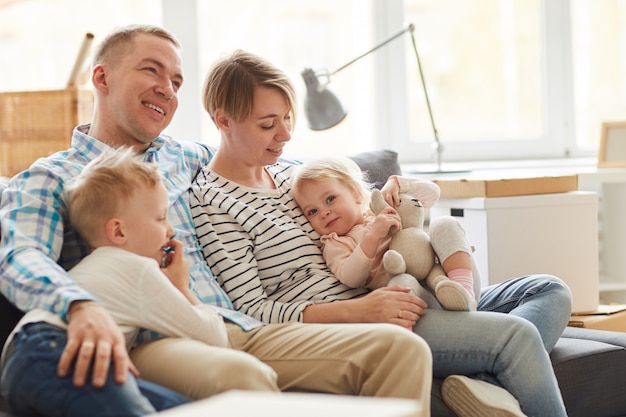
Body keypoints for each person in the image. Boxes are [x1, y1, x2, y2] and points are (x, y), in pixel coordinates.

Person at [0, 25, 432, 417]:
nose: (167, 90)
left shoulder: (187, 157)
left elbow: (277, 162)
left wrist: (369, 190)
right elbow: (19, 257)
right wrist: (77, 305)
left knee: (402, 351)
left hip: (241, 324)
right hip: (160, 334)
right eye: (152, 71)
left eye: (176, 81)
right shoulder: (51, 177)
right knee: (241, 377)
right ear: (102, 78)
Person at [189, 49, 572, 417]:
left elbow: (362, 210)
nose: (285, 134)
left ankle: (481, 383)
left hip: (398, 286)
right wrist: (361, 310)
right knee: (516, 337)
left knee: (549, 289)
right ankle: (484, 376)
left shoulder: (292, 174)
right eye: (268, 125)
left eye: (287, 118)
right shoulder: (213, 203)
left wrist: (391, 202)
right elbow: (251, 312)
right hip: (371, 317)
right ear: (223, 121)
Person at [1, 147, 242, 416]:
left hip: (31, 356)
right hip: (54, 349)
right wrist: (182, 288)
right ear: (118, 231)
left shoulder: (98, 266)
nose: (171, 230)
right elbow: (215, 337)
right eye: (161, 218)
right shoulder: (138, 270)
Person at [291, 155, 477, 311]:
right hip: (420, 298)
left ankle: (465, 293)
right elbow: (351, 278)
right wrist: (373, 236)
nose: (324, 213)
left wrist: (396, 183)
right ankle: (407, 331)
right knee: (401, 284)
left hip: (447, 276)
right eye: (312, 212)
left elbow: (432, 194)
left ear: (356, 194)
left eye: (330, 199)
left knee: (444, 223)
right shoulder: (335, 243)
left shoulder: (379, 208)